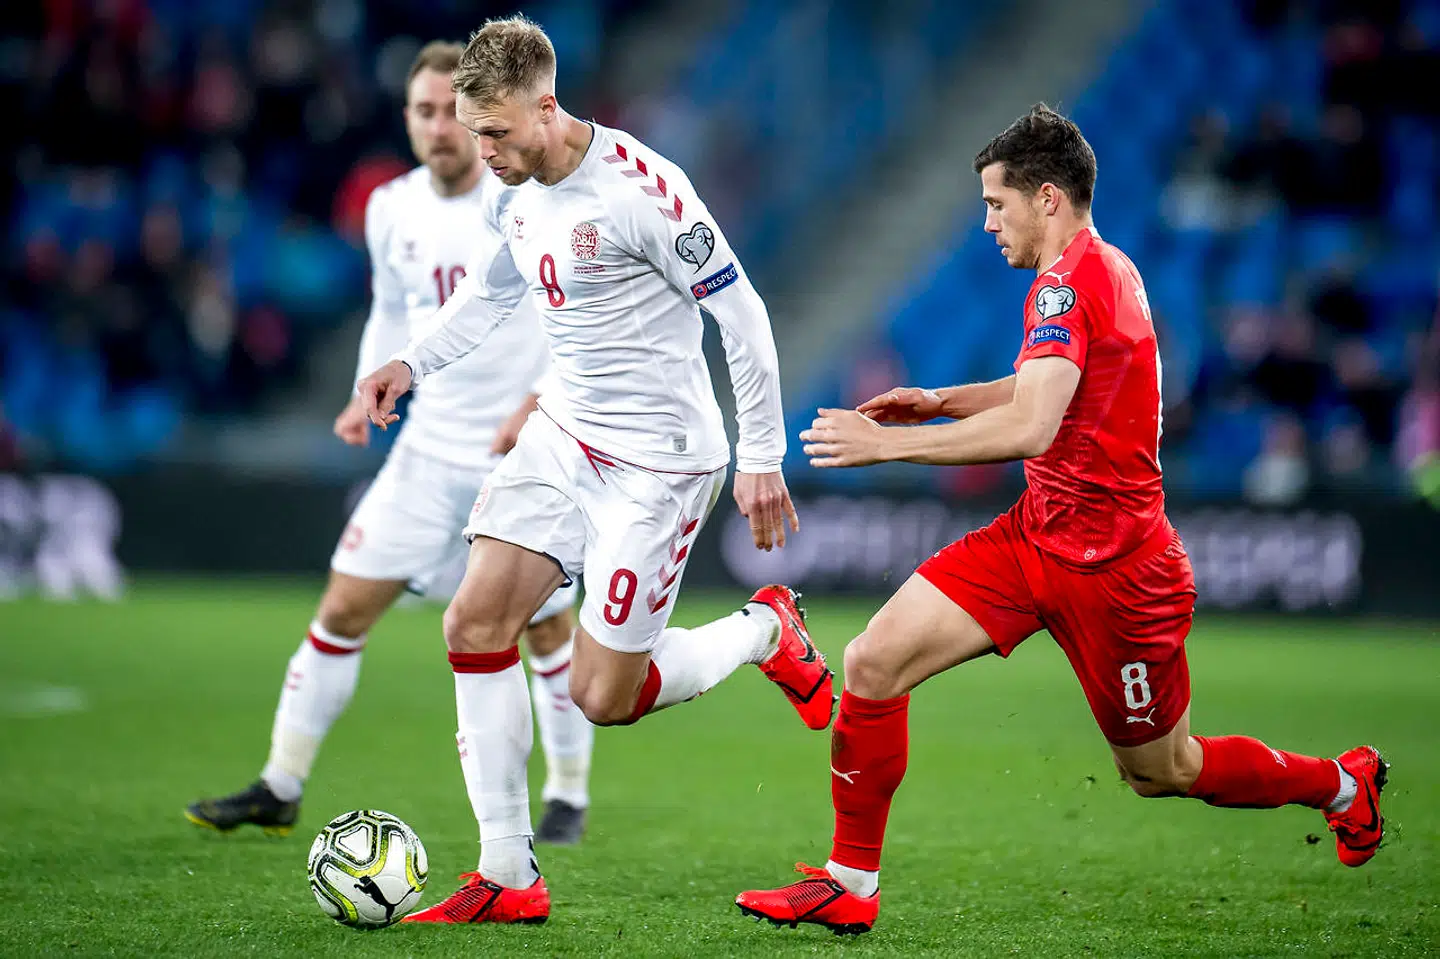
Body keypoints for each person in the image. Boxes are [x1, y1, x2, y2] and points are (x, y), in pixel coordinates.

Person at [734, 104, 1389, 936]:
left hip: (1119, 571)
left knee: (1163, 768)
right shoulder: (1096, 268)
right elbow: (1041, 387)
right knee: (872, 661)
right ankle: (849, 881)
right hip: (1036, 536)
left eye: (995, 203)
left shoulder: (1071, 279)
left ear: (1046, 198)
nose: (986, 222)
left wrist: (882, 447)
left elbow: (1032, 426)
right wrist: (938, 402)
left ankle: (1341, 782)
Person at [354, 17, 834, 925]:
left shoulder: (644, 191)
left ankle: (765, 630)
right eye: (470, 129)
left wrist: (762, 455)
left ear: (547, 106)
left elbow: (746, 319)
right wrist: (411, 363)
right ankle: (508, 872)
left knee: (602, 695)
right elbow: (493, 292)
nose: (479, 149)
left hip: (659, 463)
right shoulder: (514, 190)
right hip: (563, 432)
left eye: (494, 131)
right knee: (474, 619)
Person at [185, 41, 594, 846]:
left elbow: (569, 313)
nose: (442, 128)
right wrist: (364, 384)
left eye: (454, 113)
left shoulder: (525, 198)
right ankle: (281, 781)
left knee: (546, 630)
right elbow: (393, 309)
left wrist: (543, 402)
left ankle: (567, 796)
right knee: (341, 607)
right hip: (428, 453)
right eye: (425, 112)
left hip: (523, 458)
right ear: (405, 119)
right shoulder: (390, 208)